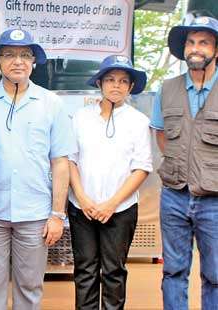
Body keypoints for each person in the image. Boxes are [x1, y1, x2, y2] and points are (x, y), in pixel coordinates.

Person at [0, 29, 76, 310]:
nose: (18, 61)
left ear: (33, 62)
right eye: (9, 54)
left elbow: (60, 162)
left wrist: (57, 214)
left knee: (30, 284)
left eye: (25, 55)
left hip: (35, 213)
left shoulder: (51, 103)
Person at [68, 55, 152, 310]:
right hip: (81, 207)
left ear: (130, 87)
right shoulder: (80, 117)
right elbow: (70, 160)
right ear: (100, 83)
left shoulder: (139, 121)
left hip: (121, 210)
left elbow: (142, 167)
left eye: (123, 81)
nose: (116, 85)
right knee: (85, 270)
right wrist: (82, 198)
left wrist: (111, 203)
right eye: (111, 80)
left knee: (114, 271)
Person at [150, 14, 218, 310]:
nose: (196, 48)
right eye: (191, 42)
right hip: (174, 196)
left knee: (215, 275)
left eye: (204, 42)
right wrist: (183, 164)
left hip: (214, 199)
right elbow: (162, 136)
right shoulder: (166, 88)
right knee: (173, 271)